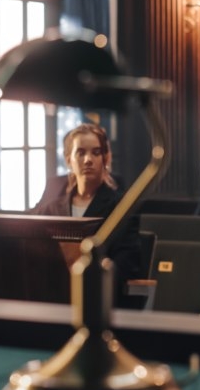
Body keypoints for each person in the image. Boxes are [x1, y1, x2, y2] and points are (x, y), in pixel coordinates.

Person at [32, 123, 142, 306]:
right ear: (68, 160)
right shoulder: (51, 209)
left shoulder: (122, 207)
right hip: (54, 299)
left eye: (96, 153)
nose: (88, 160)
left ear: (106, 158)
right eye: (80, 153)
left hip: (101, 300)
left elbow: (127, 265)